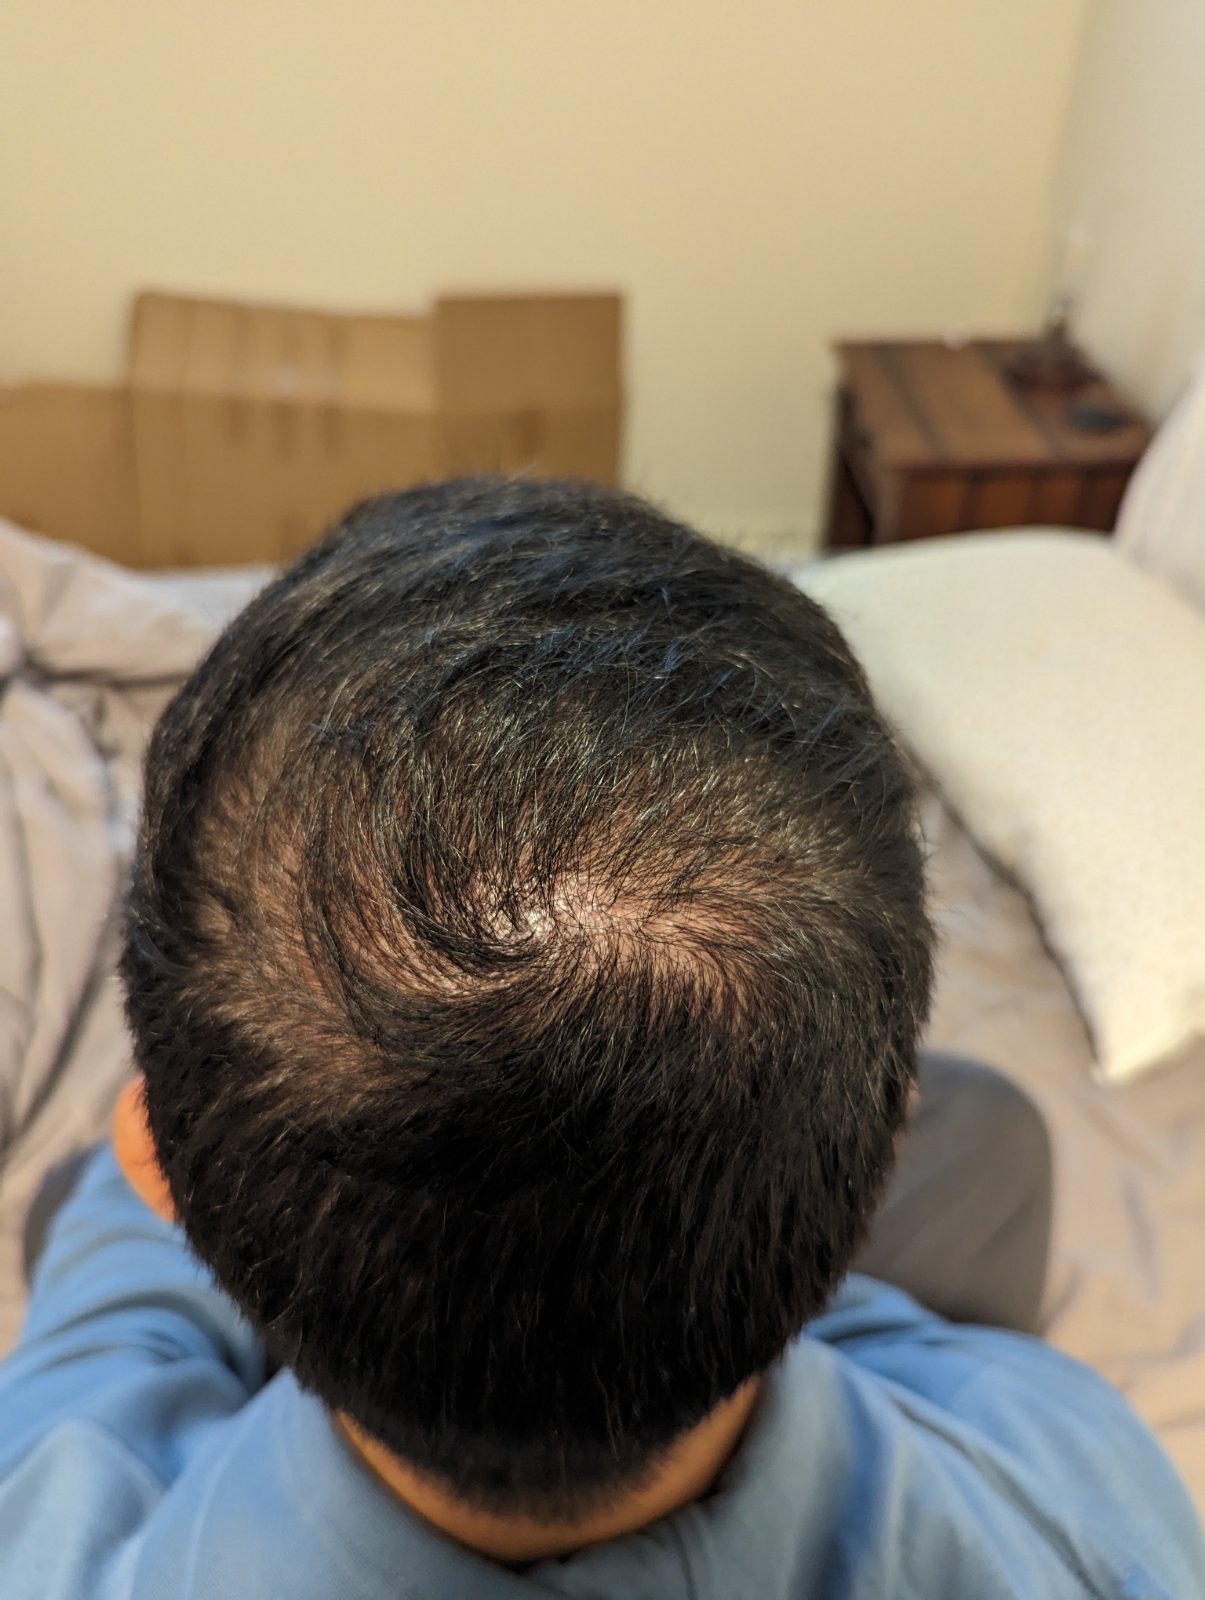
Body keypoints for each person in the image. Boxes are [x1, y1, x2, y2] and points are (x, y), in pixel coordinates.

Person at [0, 477, 1200, 1598]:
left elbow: (114, 1315)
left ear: (163, 1161)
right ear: (883, 1136)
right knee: (991, 1135)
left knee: (72, 1207)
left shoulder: (51, 1523)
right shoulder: (1082, 1509)